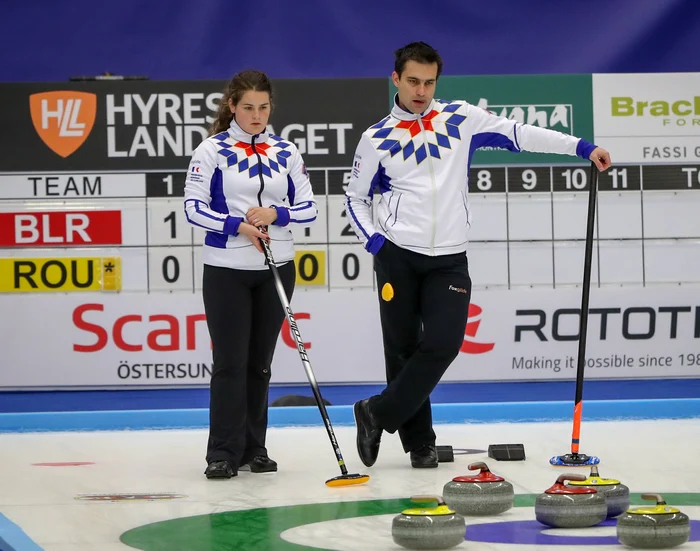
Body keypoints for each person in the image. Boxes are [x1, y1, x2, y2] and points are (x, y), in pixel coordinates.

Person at [345, 42, 611, 469]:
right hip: (396, 255)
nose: (421, 90)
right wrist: (374, 240)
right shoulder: (375, 138)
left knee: (444, 344)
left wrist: (580, 147)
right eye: (413, 81)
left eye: (429, 82)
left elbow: (521, 133)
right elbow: (355, 198)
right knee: (401, 349)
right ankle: (420, 444)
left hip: (449, 257)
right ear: (396, 79)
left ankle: (376, 413)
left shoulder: (462, 118)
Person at [184, 70, 317, 479]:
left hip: (277, 267)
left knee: (260, 364)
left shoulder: (286, 151)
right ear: (232, 107)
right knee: (229, 363)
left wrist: (276, 214)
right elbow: (193, 207)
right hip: (227, 270)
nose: (256, 115)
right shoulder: (211, 151)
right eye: (248, 108)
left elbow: (309, 207)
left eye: (263, 107)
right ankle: (222, 452)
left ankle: (255, 448)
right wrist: (238, 225)